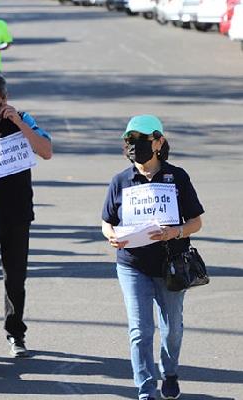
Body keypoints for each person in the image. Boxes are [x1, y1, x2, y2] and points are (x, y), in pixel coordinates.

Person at [101, 115, 204, 400]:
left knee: (172, 328)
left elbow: (196, 222)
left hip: (172, 264)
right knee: (140, 330)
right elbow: (106, 222)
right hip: (132, 265)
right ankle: (146, 389)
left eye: (141, 140)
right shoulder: (120, 180)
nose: (134, 146)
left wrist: (176, 232)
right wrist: (110, 234)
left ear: (158, 142)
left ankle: (169, 372)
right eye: (129, 140)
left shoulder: (177, 177)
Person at [0, 73, 52, 370]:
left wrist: (17, 122)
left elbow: (46, 151)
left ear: (6, 99)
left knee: (16, 279)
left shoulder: (22, 118)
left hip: (17, 214)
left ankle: (16, 333)